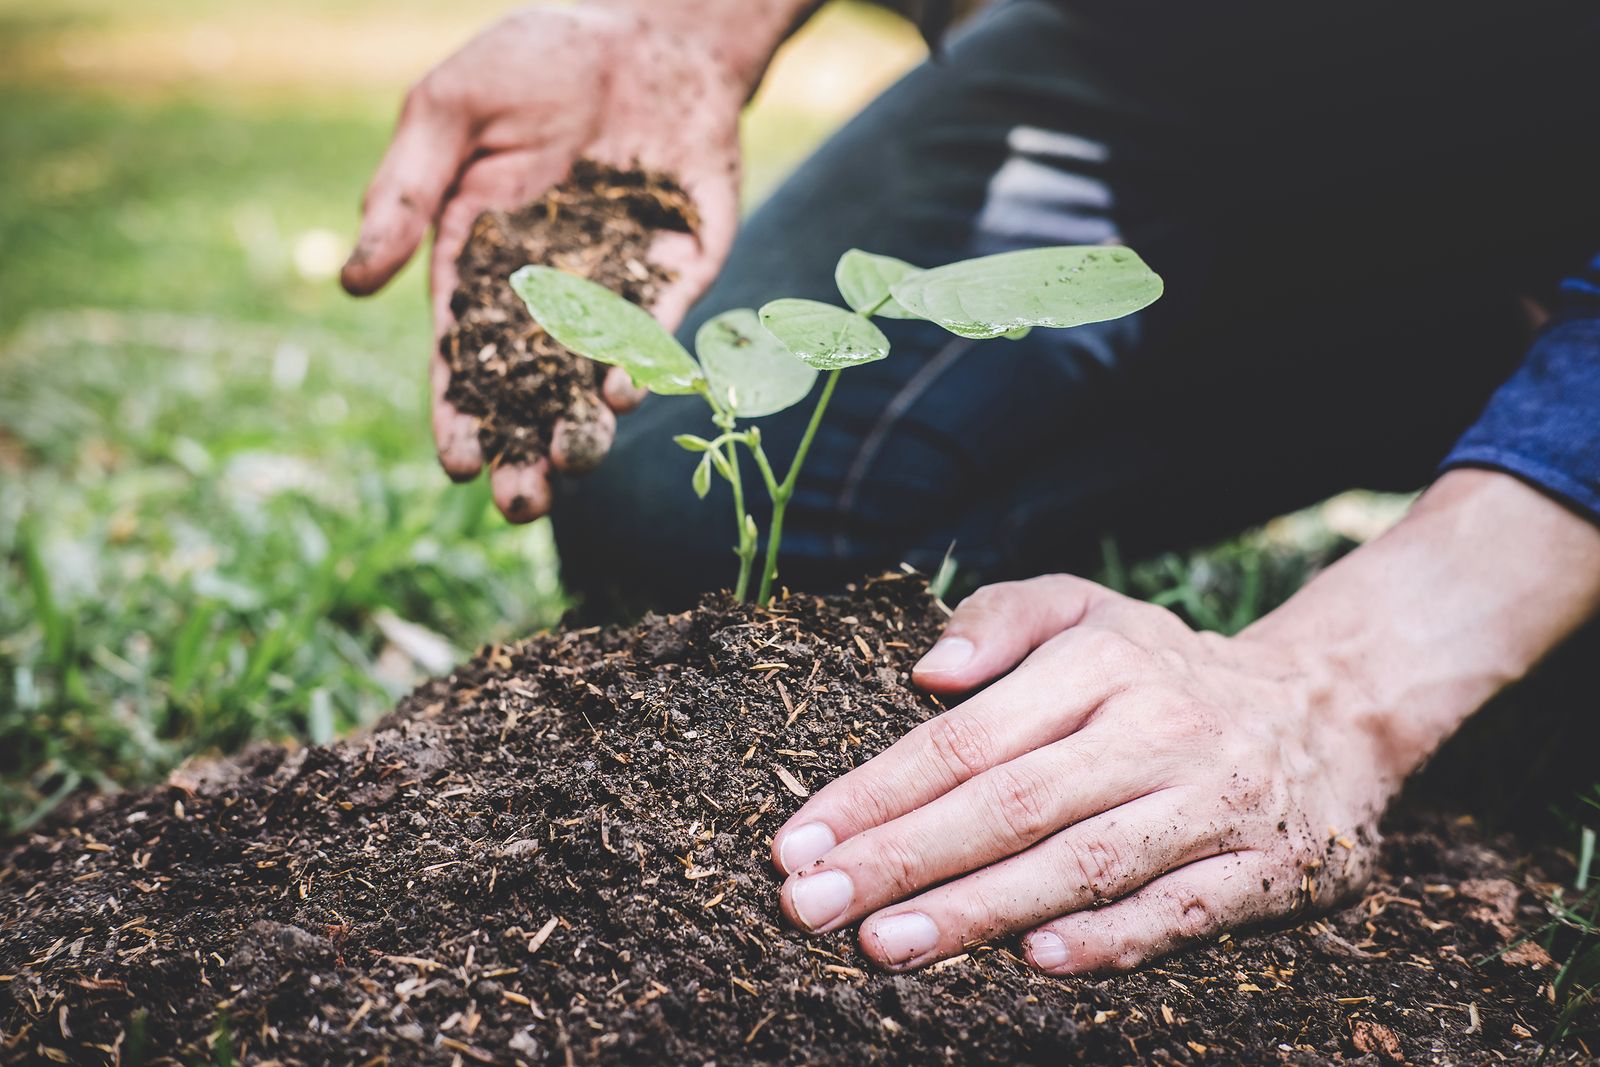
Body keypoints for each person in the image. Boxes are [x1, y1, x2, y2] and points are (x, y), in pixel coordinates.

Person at [341, 0, 1600, 975]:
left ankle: (1534, 444)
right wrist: (675, 27)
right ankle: (1465, 345)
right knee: (686, 509)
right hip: (1190, 59)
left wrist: (1343, 683)